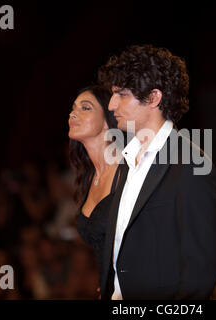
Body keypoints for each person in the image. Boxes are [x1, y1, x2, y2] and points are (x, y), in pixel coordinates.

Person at [97, 45, 216, 300]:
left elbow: (200, 275)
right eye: (112, 94)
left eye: (121, 94)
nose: (111, 105)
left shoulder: (191, 164)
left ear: (154, 98)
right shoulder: (126, 161)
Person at [68, 85, 123, 294]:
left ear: (108, 121)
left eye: (85, 108)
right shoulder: (89, 177)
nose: (73, 113)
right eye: (73, 108)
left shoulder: (128, 172)